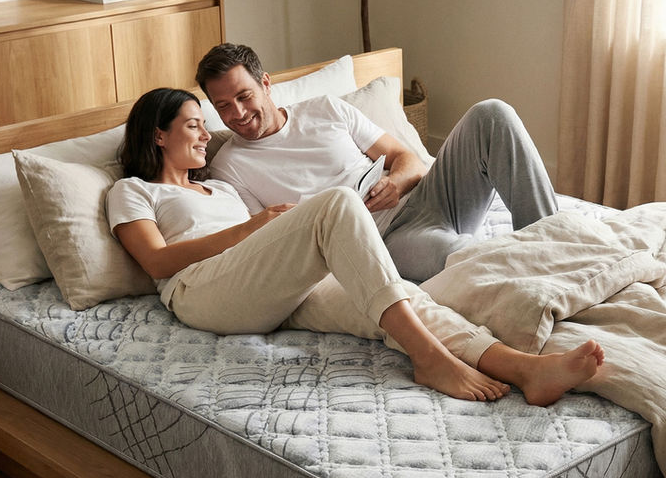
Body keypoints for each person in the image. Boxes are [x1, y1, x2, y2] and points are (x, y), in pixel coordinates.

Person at [106, 87, 605, 406]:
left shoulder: (221, 187)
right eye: (196, 124)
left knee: (395, 302)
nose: (207, 135)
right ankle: (430, 361)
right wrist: (250, 229)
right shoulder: (133, 190)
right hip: (201, 291)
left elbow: (266, 245)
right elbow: (154, 260)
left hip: (269, 289)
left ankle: (526, 369)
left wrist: (267, 230)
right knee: (337, 204)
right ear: (158, 135)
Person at [195, 44, 560, 283]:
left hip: (427, 196)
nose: (238, 114)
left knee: (492, 113)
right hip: (388, 238)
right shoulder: (229, 166)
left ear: (266, 83)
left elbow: (408, 159)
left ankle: (557, 245)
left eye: (244, 96)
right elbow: (270, 237)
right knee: (468, 259)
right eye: (223, 106)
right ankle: (537, 271)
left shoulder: (326, 108)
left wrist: (396, 183)